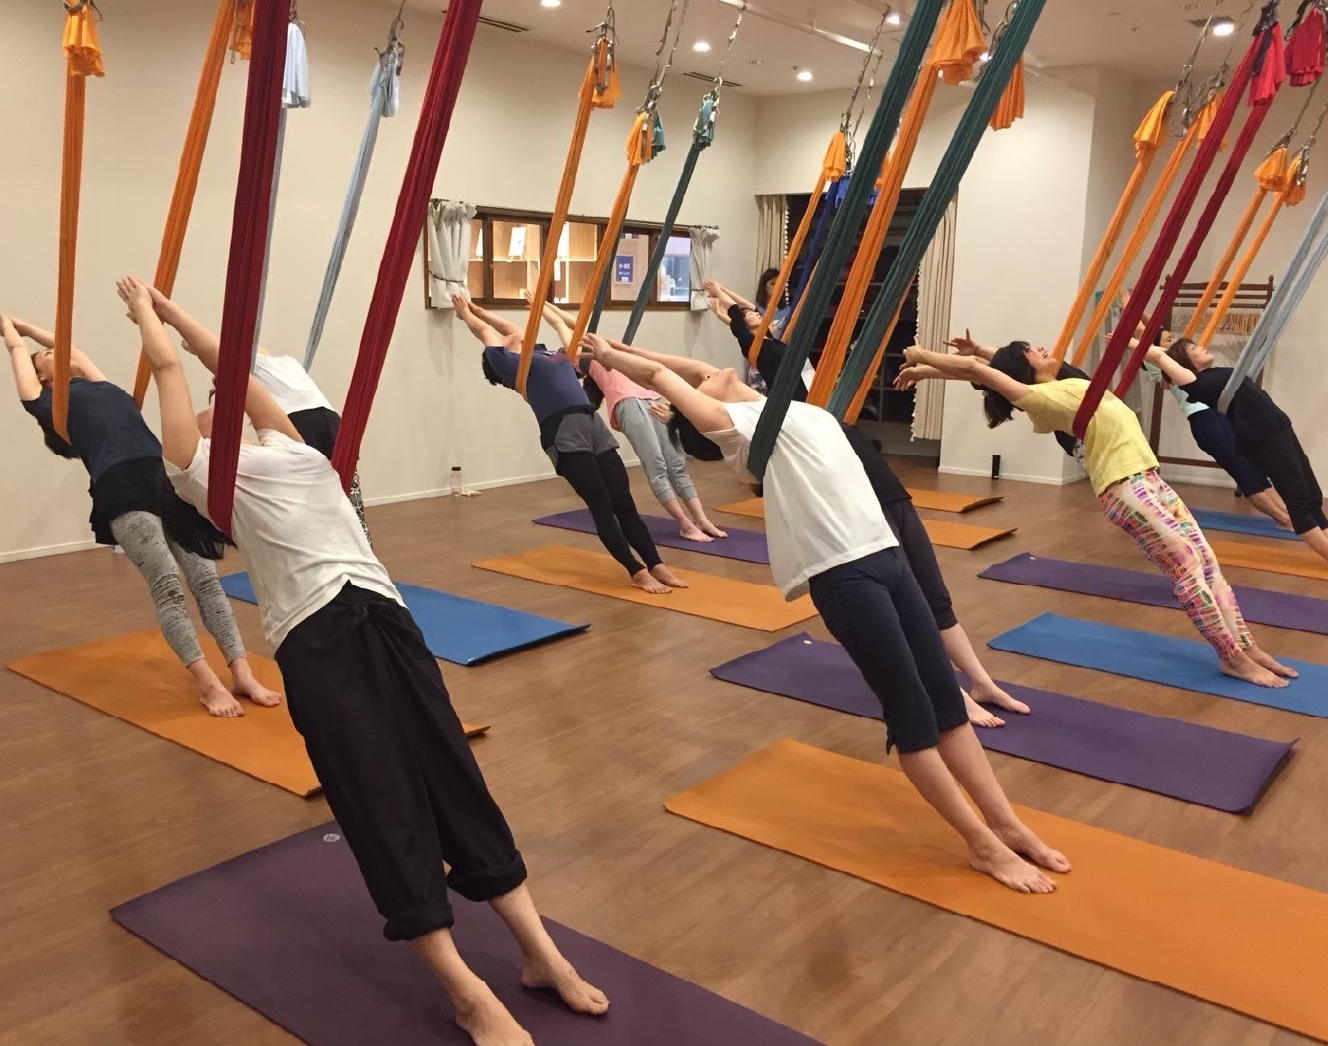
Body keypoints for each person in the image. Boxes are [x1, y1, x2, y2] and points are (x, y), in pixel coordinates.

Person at [121, 276, 607, 1046]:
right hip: (318, 641)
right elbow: (172, 373)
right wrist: (150, 323)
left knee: (454, 775)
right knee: (381, 800)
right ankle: (466, 993)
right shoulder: (205, 475)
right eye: (211, 404)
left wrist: (179, 312)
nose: (225, 399)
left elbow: (231, 368)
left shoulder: (288, 444)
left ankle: (539, 952)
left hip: (388, 619)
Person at [582, 330, 1069, 895]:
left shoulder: (788, 407)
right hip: (843, 574)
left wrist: (635, 351)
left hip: (886, 554)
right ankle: (981, 844)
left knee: (945, 696)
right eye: (704, 382)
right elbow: (667, 378)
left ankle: (1006, 824)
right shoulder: (744, 429)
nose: (709, 371)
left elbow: (684, 366)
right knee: (911, 712)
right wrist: (613, 360)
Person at [691, 308, 1028, 727]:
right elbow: (714, 362)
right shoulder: (760, 422)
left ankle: (981, 683)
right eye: (704, 382)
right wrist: (727, 319)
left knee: (936, 599)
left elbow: (742, 353)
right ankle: (952, 694)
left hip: (893, 494)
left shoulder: (789, 396)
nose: (711, 373)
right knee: (908, 608)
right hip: (864, 512)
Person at [898, 340, 1296, 688]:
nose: (1041, 348)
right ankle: (1230, 656)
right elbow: (979, 370)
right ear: (1024, 369)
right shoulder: (1041, 397)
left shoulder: (1067, 381)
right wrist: (921, 356)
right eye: (1031, 351)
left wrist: (950, 362)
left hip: (1149, 478)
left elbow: (992, 363)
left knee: (1208, 563)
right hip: (1124, 487)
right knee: (1187, 567)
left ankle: (1247, 646)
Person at [3, 313, 279, 718]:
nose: (54, 352)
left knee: (206, 579)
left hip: (164, 479)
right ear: (41, 377)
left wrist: (29, 328)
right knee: (167, 583)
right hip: (120, 488)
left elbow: (70, 348)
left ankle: (241, 673)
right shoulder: (48, 404)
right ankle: (208, 683)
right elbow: (17, 348)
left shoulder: (101, 385)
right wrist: (11, 332)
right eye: (43, 355)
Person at [451, 292, 685, 595]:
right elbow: (486, 331)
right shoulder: (509, 364)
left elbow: (511, 329)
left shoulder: (541, 352)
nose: (509, 335)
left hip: (590, 422)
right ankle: (636, 570)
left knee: (623, 501)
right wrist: (466, 314)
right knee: (601, 503)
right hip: (562, 430)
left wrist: (480, 309)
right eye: (503, 339)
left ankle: (656, 563)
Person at [140, 288, 374, 543]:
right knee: (329, 486)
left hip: (321, 421)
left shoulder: (268, 361)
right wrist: (188, 337)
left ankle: (352, 536)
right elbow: (218, 353)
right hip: (309, 419)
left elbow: (229, 349)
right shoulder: (258, 367)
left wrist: (192, 342)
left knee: (340, 484)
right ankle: (339, 534)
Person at [523, 292, 726, 543]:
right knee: (657, 466)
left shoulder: (599, 347)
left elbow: (576, 322)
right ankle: (684, 524)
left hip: (652, 397)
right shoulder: (582, 358)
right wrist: (539, 307)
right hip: (628, 403)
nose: (569, 345)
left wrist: (544, 302)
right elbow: (559, 324)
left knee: (676, 463)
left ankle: (701, 519)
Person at [1146, 338, 1326, 559]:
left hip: (1279, 429)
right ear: (1184, 362)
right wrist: (1131, 341)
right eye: (1192, 348)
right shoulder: (1196, 383)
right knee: (1299, 502)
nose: (1201, 346)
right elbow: (1160, 356)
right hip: (1264, 438)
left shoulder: (1214, 374)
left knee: (1312, 495)